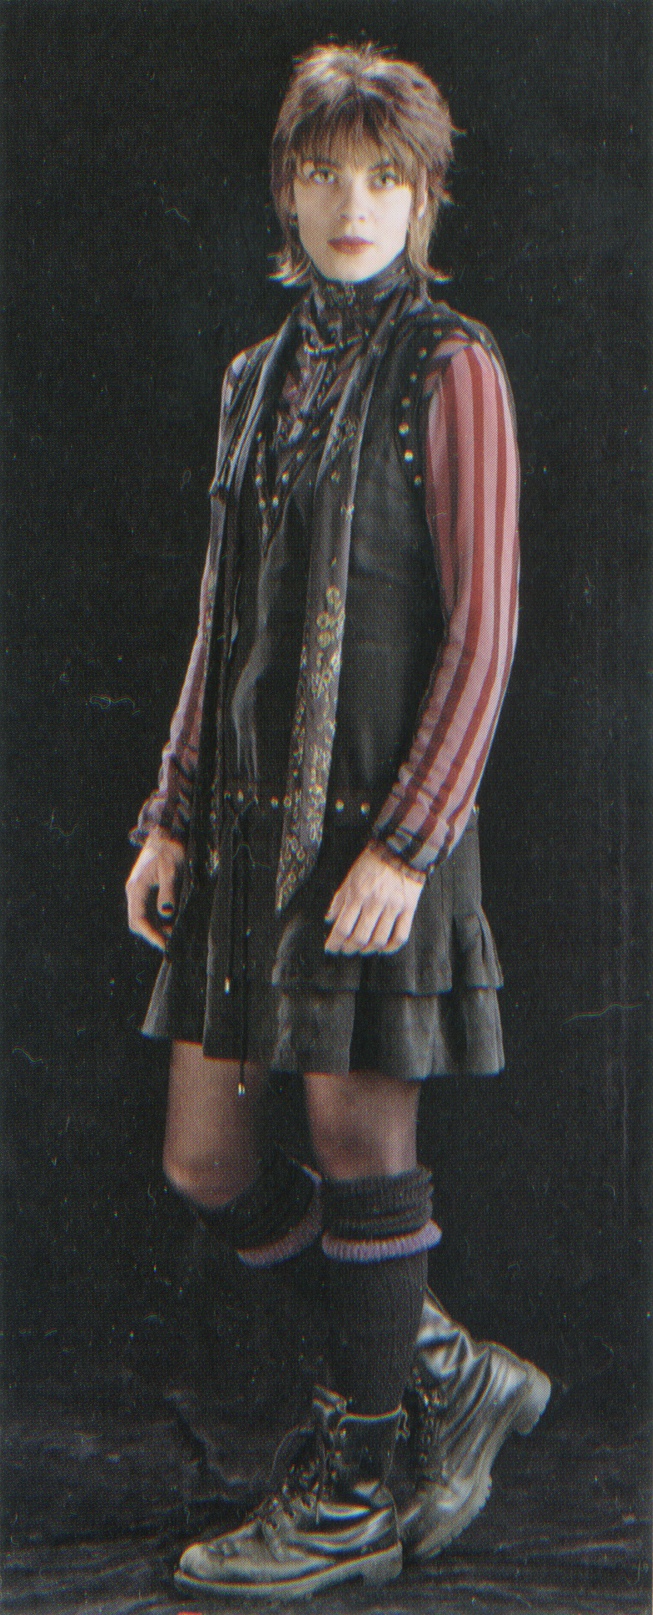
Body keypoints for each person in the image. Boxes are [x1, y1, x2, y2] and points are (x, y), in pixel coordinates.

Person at [126, 41, 550, 1599]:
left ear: (423, 195)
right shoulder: (254, 379)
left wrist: (408, 844)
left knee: (354, 1142)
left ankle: (357, 1488)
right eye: (322, 174)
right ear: (286, 190)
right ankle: (434, 1364)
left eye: (382, 176)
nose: (350, 204)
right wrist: (170, 814)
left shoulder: (453, 369)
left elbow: (485, 629)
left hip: (381, 831)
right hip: (246, 836)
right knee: (207, 1161)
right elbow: (219, 621)